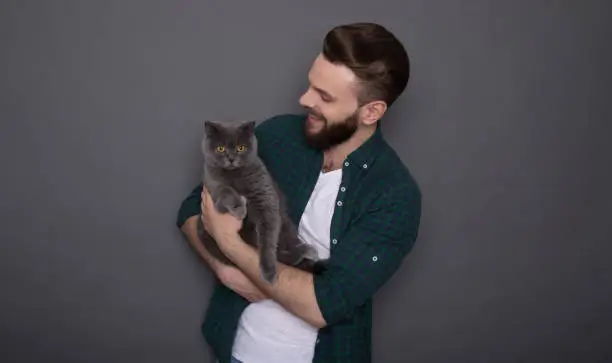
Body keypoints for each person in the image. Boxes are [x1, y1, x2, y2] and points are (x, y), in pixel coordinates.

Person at [176, 22, 422, 363]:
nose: (304, 99)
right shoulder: (278, 136)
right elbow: (192, 206)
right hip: (230, 350)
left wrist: (231, 244)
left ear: (371, 111)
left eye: (324, 96)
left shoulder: (394, 196)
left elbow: (324, 303)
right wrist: (223, 269)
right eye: (311, 85)